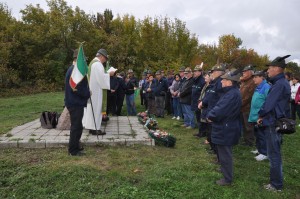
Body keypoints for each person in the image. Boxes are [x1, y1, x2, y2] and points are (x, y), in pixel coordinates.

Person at [257, 55, 291, 191]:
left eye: (270, 68)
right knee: (274, 152)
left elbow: (269, 104)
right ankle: (276, 183)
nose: (268, 71)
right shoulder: (280, 83)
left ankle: (276, 185)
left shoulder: (279, 84)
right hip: (274, 120)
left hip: (274, 122)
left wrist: (261, 114)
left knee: (274, 154)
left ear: (277, 69)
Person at [207, 69, 242, 186]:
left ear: (230, 82)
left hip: (226, 128)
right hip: (226, 126)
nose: (221, 82)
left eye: (224, 80)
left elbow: (220, 109)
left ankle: (227, 179)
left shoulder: (231, 94)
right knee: (223, 152)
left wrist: (210, 116)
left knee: (225, 153)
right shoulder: (231, 93)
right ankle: (225, 170)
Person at [83, 49, 114, 135]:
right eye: (105, 58)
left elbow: (98, 77)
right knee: (96, 110)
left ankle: (91, 127)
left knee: (91, 110)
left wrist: (105, 74)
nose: (105, 60)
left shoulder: (92, 63)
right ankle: (95, 129)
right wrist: (109, 74)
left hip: (93, 90)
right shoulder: (97, 64)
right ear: (101, 56)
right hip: (96, 92)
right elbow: (101, 79)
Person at [65, 50, 90, 156]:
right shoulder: (75, 71)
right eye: (84, 59)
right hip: (75, 103)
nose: (85, 61)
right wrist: (87, 93)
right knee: (76, 127)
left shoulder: (74, 69)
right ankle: (73, 150)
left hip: (74, 102)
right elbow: (77, 88)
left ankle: (76, 146)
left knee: (78, 126)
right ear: (79, 59)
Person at [248, 71, 270, 161]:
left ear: (262, 78)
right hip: (254, 115)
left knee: (262, 134)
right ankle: (259, 149)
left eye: (256, 77)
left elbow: (268, 102)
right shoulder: (258, 87)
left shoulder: (266, 87)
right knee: (257, 133)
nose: (254, 79)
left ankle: (264, 153)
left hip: (261, 116)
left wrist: (262, 115)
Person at [240, 65, 256, 146]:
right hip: (242, 107)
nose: (243, 73)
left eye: (245, 71)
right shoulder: (244, 81)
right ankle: (246, 139)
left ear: (250, 72)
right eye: (243, 71)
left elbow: (248, 97)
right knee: (244, 125)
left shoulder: (252, 82)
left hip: (247, 108)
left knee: (248, 126)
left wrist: (239, 104)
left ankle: (249, 142)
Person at [191, 64, 205, 136]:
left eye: (196, 71)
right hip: (194, 101)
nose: (194, 73)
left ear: (200, 72)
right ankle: (200, 131)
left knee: (200, 118)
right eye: (194, 71)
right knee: (198, 117)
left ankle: (201, 132)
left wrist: (201, 102)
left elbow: (203, 93)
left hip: (199, 102)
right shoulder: (195, 80)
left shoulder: (202, 81)